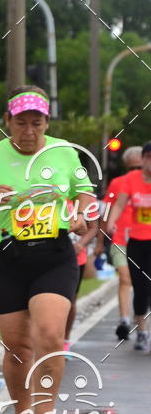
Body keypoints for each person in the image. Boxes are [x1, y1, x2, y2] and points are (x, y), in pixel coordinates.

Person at [0, 86, 97, 414]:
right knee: (18, 347)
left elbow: (85, 193)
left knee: (50, 336)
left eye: (37, 123)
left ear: (47, 123)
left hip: (54, 254)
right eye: (21, 123)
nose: (29, 131)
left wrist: (81, 215)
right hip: (6, 256)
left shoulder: (63, 152)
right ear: (7, 122)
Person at [106, 142, 151, 352]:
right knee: (140, 289)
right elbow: (119, 204)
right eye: (148, 157)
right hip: (136, 242)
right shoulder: (131, 181)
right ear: (143, 159)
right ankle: (141, 330)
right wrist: (112, 221)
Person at [95, 146, 143, 340]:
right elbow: (105, 215)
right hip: (120, 239)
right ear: (126, 167)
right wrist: (99, 243)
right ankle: (124, 320)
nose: (136, 172)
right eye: (133, 168)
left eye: (140, 167)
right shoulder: (117, 184)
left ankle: (140, 324)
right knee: (125, 278)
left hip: (144, 240)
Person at [64, 209, 98, 353]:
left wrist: (79, 245)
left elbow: (93, 228)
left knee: (70, 302)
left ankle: (65, 340)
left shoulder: (83, 197)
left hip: (76, 258)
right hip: (49, 257)